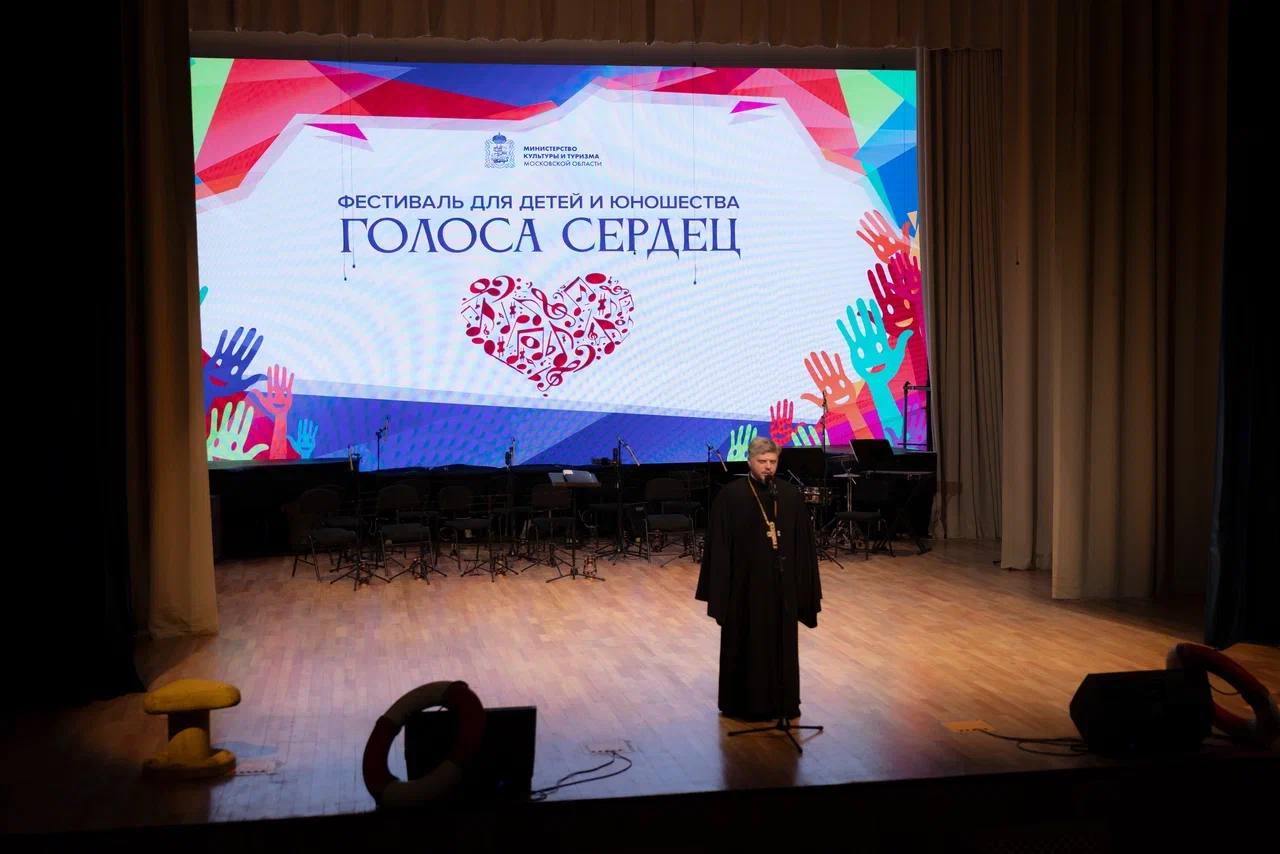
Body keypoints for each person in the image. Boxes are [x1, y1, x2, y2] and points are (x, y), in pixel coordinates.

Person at [696, 436, 822, 721]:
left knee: (781, 643)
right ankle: (743, 704)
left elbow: (803, 545)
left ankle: (783, 702)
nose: (768, 467)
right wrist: (721, 589)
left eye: (772, 462)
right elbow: (719, 546)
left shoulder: (789, 495)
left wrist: (803, 585)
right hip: (745, 586)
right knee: (746, 643)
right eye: (762, 461)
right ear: (749, 461)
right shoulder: (731, 496)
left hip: (782, 585)